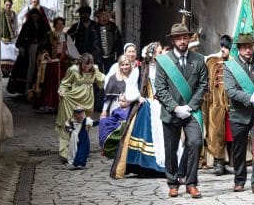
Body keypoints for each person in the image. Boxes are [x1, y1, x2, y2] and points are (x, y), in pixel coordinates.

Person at [155, 23, 207, 199]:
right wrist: (176, 108)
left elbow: (203, 85)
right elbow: (160, 89)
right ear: (173, 40)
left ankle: (191, 183)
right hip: (171, 111)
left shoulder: (199, 59)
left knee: (196, 142)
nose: (182, 41)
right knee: (171, 148)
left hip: (191, 112)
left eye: (185, 37)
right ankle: (172, 183)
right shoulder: (164, 61)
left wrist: (190, 107)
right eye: (178, 38)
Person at [110, 42, 167, 178]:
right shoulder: (141, 69)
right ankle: (145, 167)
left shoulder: (164, 68)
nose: (161, 55)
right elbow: (131, 86)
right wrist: (138, 97)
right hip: (147, 107)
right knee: (146, 136)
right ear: (152, 55)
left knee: (164, 137)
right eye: (159, 53)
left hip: (162, 106)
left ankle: (162, 167)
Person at [223, 33, 254, 192]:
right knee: (239, 150)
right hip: (239, 114)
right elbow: (231, 90)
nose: (247, 50)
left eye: (250, 47)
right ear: (238, 49)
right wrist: (251, 97)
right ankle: (239, 180)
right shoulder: (230, 66)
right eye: (244, 47)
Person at [56, 53, 105, 163]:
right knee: (70, 123)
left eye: (89, 66)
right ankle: (66, 152)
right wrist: (62, 90)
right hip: (72, 99)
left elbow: (102, 80)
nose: (86, 68)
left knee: (84, 126)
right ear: (80, 63)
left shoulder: (94, 69)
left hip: (87, 102)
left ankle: (81, 151)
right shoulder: (73, 69)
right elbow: (65, 83)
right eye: (84, 66)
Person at [203, 35, 232, 176]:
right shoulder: (212, 61)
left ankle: (232, 162)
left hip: (232, 103)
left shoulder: (234, 62)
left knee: (231, 134)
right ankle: (218, 163)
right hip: (216, 103)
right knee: (216, 131)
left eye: (227, 47)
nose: (223, 49)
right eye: (222, 46)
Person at [7, 8, 50, 95]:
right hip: (29, 50)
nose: (34, 17)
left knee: (39, 70)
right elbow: (21, 37)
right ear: (30, 16)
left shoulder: (43, 25)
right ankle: (27, 89)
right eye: (33, 15)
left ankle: (37, 90)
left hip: (41, 50)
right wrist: (21, 47)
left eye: (36, 15)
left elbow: (48, 36)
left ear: (39, 16)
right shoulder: (27, 25)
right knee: (29, 69)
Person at [33, 17, 71, 112]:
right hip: (51, 62)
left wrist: (79, 58)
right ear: (54, 25)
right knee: (50, 83)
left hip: (62, 63)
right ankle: (49, 104)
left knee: (62, 84)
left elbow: (72, 50)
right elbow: (42, 47)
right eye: (58, 24)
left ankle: (60, 105)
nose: (60, 26)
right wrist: (46, 56)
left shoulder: (66, 36)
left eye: (62, 24)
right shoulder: (49, 35)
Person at [95, 9, 123, 74]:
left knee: (110, 73)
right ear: (98, 18)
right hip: (98, 57)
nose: (104, 18)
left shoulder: (114, 28)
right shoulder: (94, 28)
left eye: (106, 16)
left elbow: (119, 43)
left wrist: (119, 56)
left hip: (111, 56)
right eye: (102, 16)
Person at [0, 0, 19, 77]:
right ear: (4, 5)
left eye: (10, 5)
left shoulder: (13, 14)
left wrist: (14, 32)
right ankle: (3, 71)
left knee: (12, 53)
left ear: (12, 5)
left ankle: (10, 70)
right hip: (2, 37)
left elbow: (16, 24)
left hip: (11, 36)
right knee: (3, 54)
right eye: (7, 5)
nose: (8, 6)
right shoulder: (1, 14)